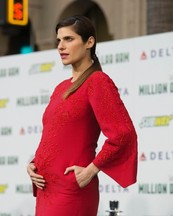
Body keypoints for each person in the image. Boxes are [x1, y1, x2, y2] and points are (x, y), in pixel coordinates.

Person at [27, 15, 138, 216]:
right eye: (58, 40)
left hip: (72, 192)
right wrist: (34, 164)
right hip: (47, 189)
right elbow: (57, 136)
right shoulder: (61, 87)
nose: (61, 46)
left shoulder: (98, 82)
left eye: (69, 39)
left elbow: (123, 134)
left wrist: (91, 170)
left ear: (89, 42)